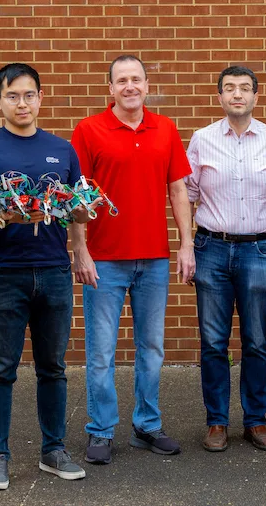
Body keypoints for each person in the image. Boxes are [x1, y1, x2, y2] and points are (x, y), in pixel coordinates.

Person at [0, 63, 92, 491]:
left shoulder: (62, 149)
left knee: (53, 368)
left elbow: (76, 208)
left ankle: (53, 450)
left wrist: (79, 238)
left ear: (40, 97)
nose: (23, 103)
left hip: (54, 271)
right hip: (3, 274)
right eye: (13, 95)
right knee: (0, 369)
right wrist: (3, 215)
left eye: (30, 94)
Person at [70, 55, 195, 465]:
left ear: (146, 84)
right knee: (102, 351)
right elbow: (77, 200)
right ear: (110, 88)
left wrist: (186, 244)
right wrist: (81, 250)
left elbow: (178, 191)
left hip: (155, 259)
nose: (129, 86)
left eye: (136, 79)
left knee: (151, 348)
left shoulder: (166, 128)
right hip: (104, 260)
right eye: (121, 80)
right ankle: (101, 431)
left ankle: (147, 425)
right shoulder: (88, 131)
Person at [186, 66, 266, 452]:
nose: (237, 94)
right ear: (219, 96)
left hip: (259, 249)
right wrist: (185, 245)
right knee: (213, 341)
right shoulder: (201, 140)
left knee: (256, 341)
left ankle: (256, 421)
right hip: (211, 248)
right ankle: (216, 422)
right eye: (230, 88)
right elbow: (187, 194)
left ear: (255, 96)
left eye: (245, 89)